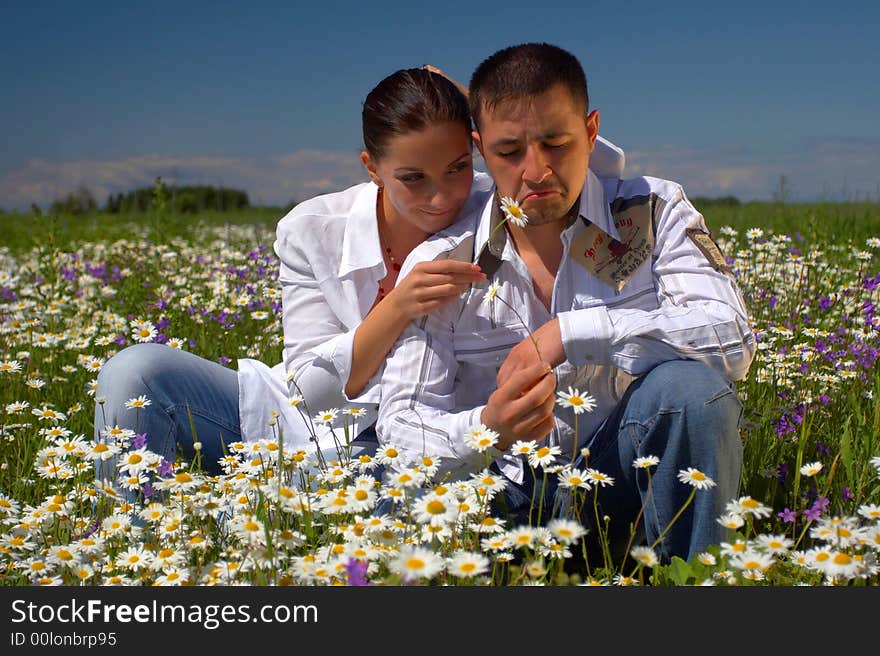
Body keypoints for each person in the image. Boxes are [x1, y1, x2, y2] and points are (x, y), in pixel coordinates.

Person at [93, 66, 627, 482]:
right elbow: (307, 391)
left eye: (458, 168)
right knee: (134, 372)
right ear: (371, 167)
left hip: (424, 450)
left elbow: (596, 170)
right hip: (288, 427)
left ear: (476, 150)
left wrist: (492, 108)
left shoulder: (495, 204)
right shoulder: (314, 230)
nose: (441, 197)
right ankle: (132, 544)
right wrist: (396, 309)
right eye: (412, 178)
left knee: (384, 493)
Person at [376, 44, 756, 563]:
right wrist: (490, 425)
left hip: (621, 475)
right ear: (480, 148)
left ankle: (693, 579)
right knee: (405, 494)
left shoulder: (651, 209)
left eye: (556, 143)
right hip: (502, 491)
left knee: (690, 389)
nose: (537, 172)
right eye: (509, 152)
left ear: (592, 130)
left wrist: (574, 334)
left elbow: (732, 337)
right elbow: (400, 423)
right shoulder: (446, 257)